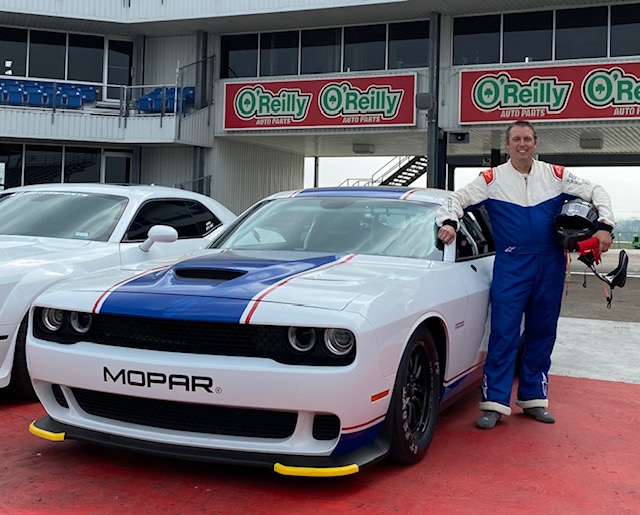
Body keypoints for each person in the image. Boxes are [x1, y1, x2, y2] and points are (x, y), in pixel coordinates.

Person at [436, 120, 614, 429]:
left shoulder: (555, 175)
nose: (523, 144)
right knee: (504, 333)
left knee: (542, 332)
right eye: (517, 139)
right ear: (508, 145)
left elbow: (596, 190)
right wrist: (448, 221)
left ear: (535, 143)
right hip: (512, 263)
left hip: (551, 263)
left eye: (528, 139)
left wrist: (605, 226)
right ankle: (494, 403)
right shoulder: (491, 179)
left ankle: (533, 399)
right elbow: (455, 199)